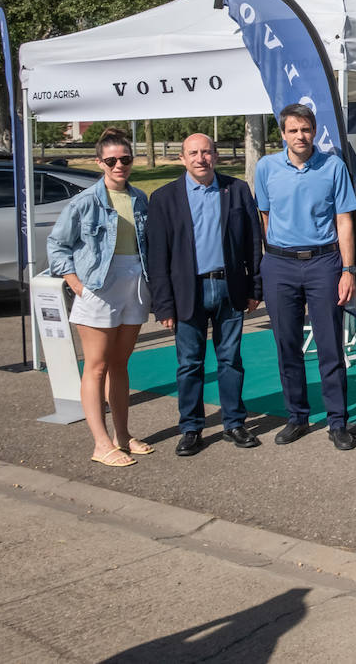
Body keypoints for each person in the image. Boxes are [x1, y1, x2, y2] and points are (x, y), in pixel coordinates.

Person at [146, 134, 263, 457]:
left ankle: (234, 423)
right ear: (183, 158)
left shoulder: (236, 190)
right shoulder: (164, 198)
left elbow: (253, 243)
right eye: (193, 153)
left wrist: (255, 287)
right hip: (188, 291)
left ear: (216, 156)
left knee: (230, 360)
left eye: (207, 152)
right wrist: (163, 304)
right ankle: (191, 427)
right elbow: (157, 257)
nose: (201, 158)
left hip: (229, 287)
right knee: (189, 364)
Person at [254, 104, 356, 451]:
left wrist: (348, 270)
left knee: (330, 347)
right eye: (293, 130)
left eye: (306, 129)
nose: (301, 136)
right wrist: (275, 256)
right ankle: (297, 416)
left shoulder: (333, 166)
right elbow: (265, 217)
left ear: (314, 131)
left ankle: (337, 421)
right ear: (283, 134)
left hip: (324, 264)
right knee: (287, 346)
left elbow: (344, 221)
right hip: (280, 266)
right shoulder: (266, 167)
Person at [47, 127, 152, 468]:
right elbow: (57, 245)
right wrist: (75, 282)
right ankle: (100, 442)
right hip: (98, 287)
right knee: (96, 367)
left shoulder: (140, 198)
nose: (119, 165)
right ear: (99, 162)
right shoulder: (84, 202)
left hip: (134, 283)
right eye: (111, 160)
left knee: (120, 365)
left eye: (125, 158)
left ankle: (122, 435)